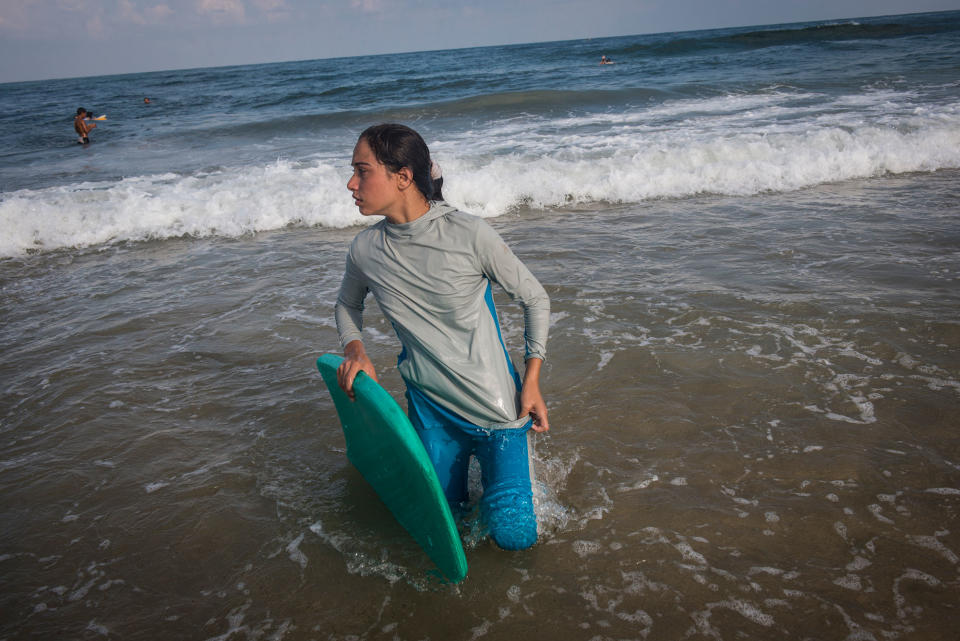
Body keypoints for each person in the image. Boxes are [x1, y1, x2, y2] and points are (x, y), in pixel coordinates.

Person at [335, 123, 551, 550]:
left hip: (497, 410)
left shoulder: (469, 234)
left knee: (514, 536)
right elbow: (347, 305)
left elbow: (535, 298)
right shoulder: (365, 250)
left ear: (402, 177)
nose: (351, 183)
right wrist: (355, 349)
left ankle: (513, 478)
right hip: (430, 408)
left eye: (362, 171)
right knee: (443, 525)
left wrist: (531, 382)